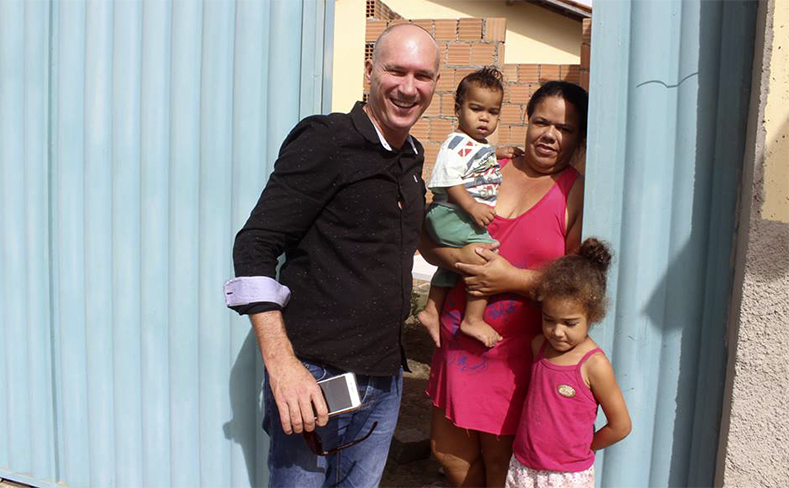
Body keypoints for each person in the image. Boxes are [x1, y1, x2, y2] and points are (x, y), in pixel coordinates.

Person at [224, 23, 439, 487]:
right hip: (314, 376)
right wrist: (283, 367)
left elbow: (397, 237)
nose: (408, 87)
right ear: (370, 70)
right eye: (396, 70)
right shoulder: (326, 140)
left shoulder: (412, 155)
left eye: (422, 75)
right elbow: (255, 245)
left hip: (383, 378)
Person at [420, 81, 589, 487]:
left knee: (500, 462)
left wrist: (510, 278)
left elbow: (576, 285)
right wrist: (458, 262)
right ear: (527, 122)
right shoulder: (489, 163)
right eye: (541, 122)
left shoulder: (576, 191)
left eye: (564, 129)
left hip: (514, 352)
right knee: (447, 453)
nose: (549, 134)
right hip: (459, 335)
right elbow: (428, 237)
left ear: (578, 139)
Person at [506, 238, 631, 488]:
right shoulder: (538, 346)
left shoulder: (594, 365)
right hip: (524, 467)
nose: (557, 331)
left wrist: (584, 447)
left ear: (592, 315)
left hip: (568, 476)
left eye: (570, 323)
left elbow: (621, 425)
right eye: (549, 319)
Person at [418, 66, 507, 349]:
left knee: (454, 268)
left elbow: (476, 161)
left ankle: (432, 310)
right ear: (458, 109)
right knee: (483, 256)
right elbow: (448, 181)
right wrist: (472, 208)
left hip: (454, 214)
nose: (484, 117)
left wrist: (498, 152)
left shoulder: (474, 144)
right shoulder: (454, 144)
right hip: (451, 212)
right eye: (476, 108)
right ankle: (472, 319)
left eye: (492, 112)